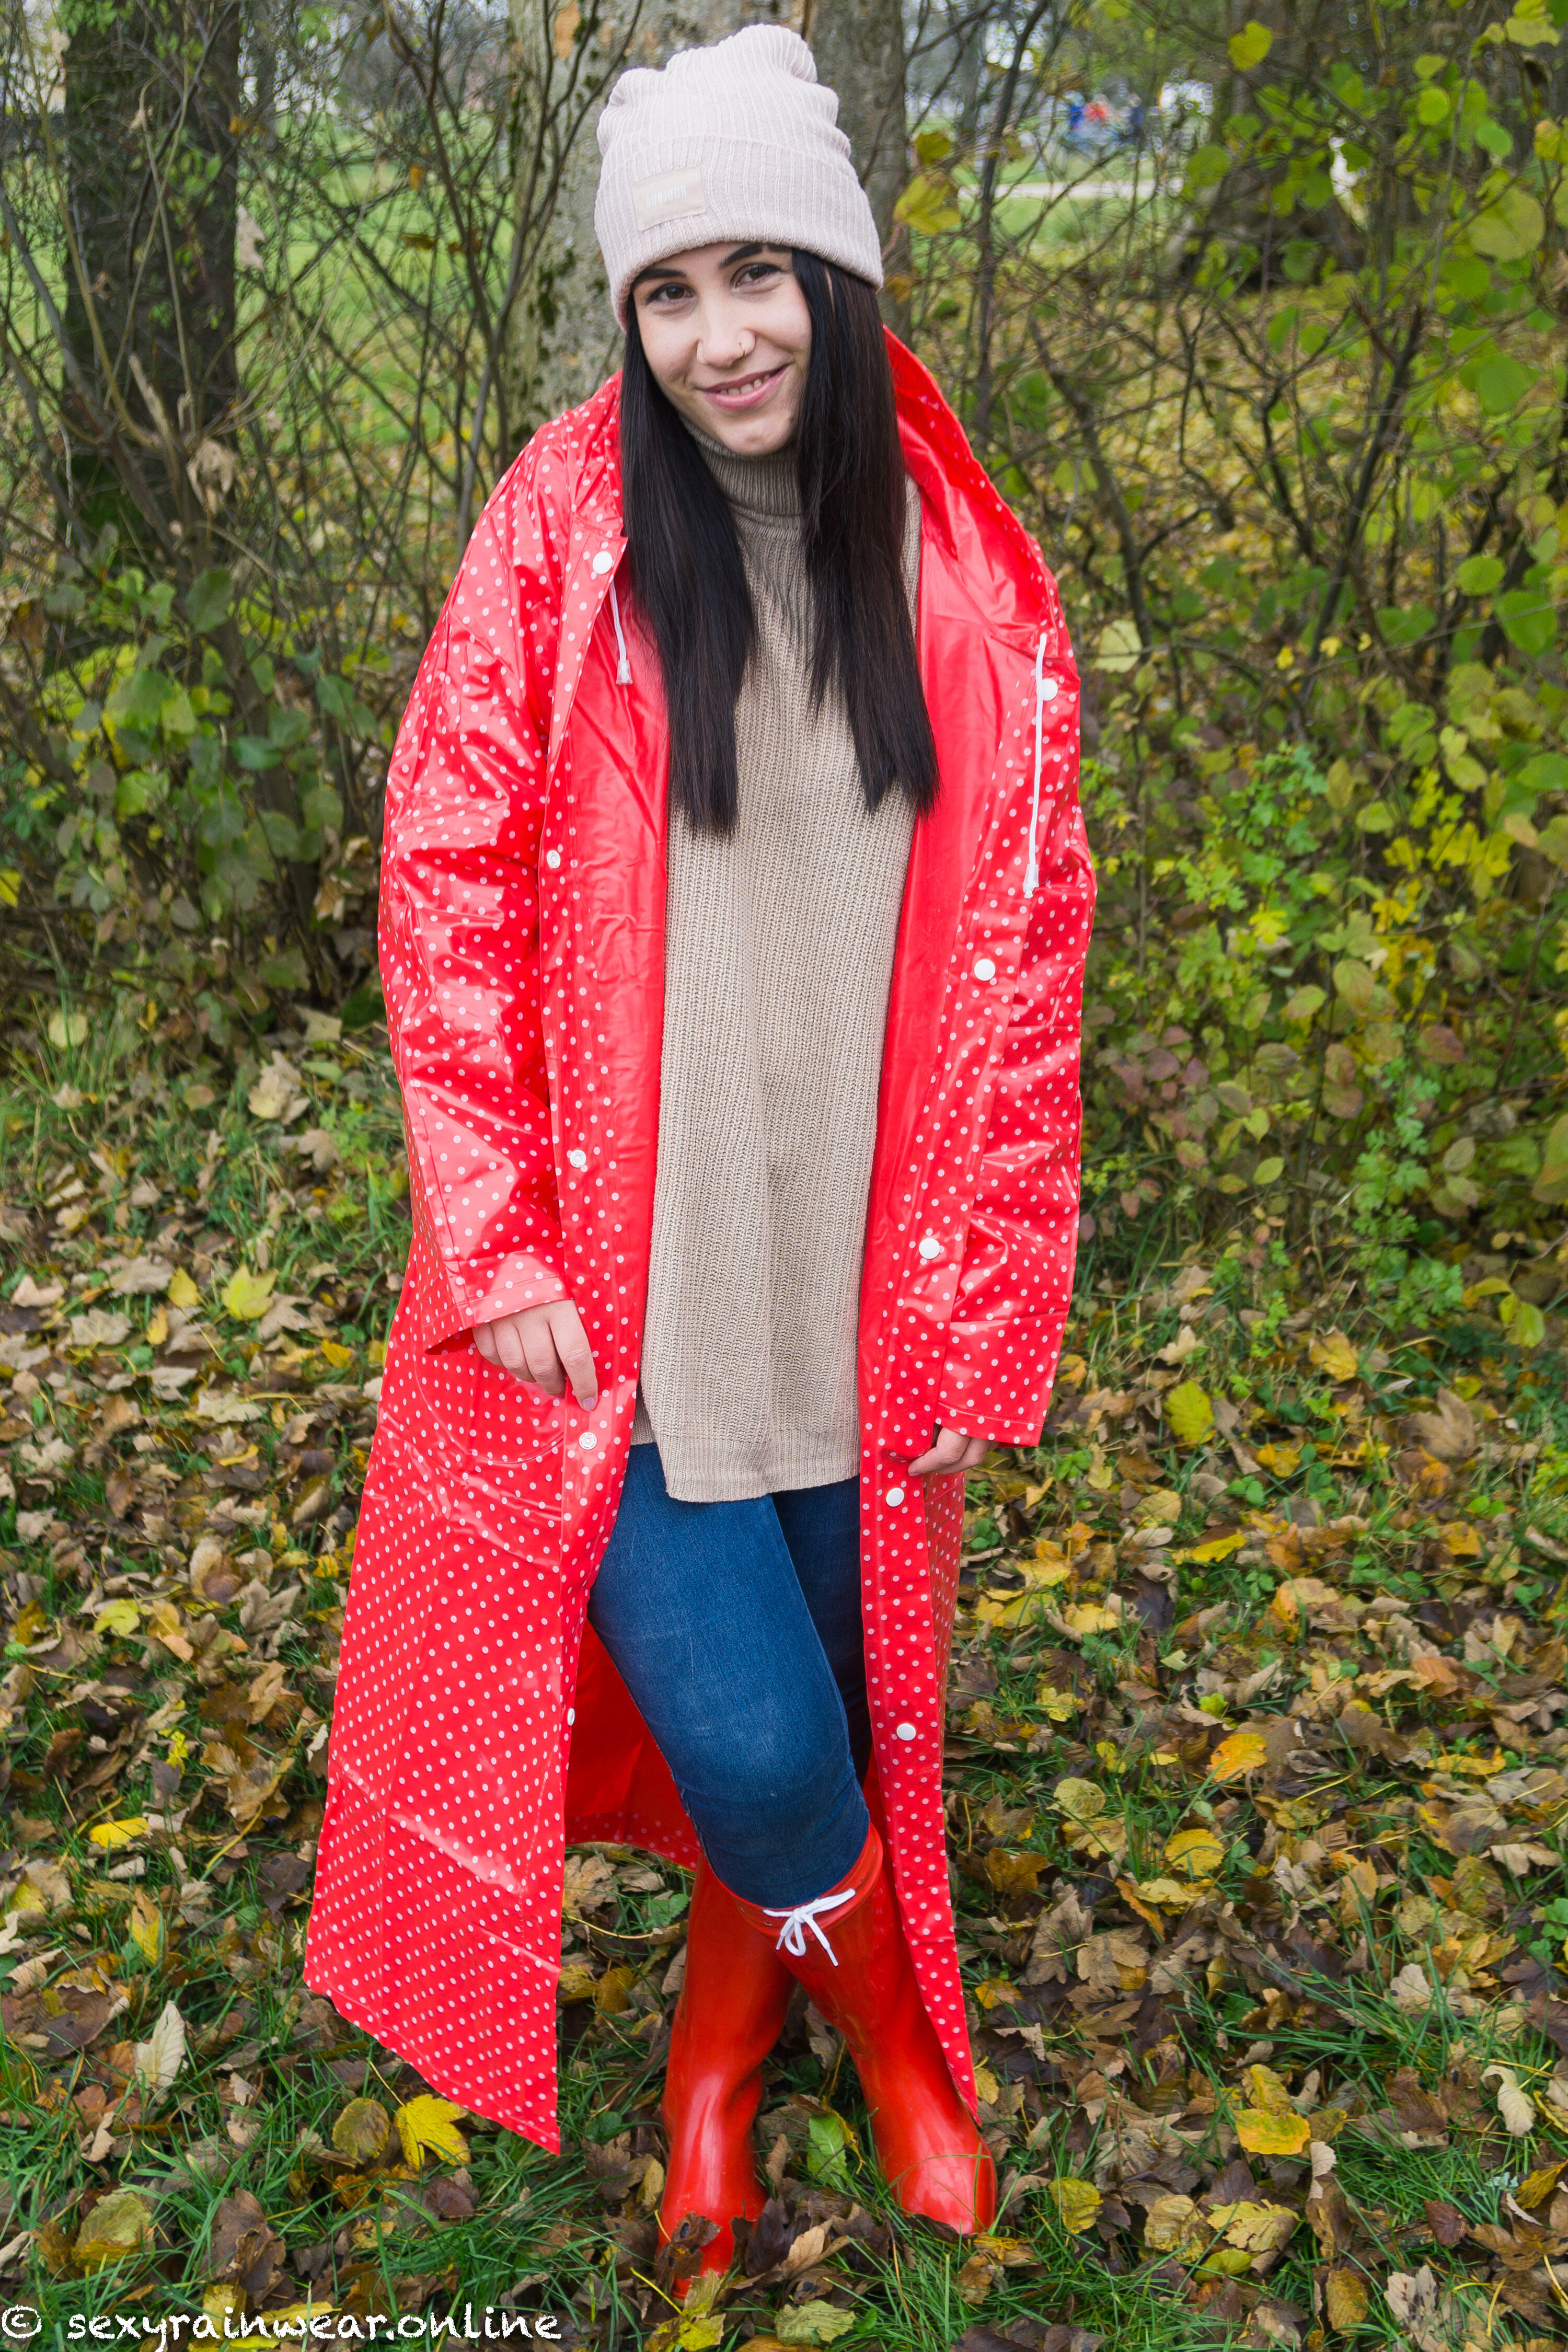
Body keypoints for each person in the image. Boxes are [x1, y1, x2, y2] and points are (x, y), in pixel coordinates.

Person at [304, 21, 1094, 2285]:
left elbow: (1034, 965)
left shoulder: (961, 568)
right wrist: (495, 1238)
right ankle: (900, 2042)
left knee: (827, 1710)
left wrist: (989, 1309)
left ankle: (716, 2070)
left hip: (861, 1283)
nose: (720, 334)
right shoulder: (563, 531)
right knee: (756, 1748)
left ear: (835, 276)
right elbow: (444, 874)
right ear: (628, 316)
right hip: (619, 1309)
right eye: (669, 290)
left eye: (759, 273)